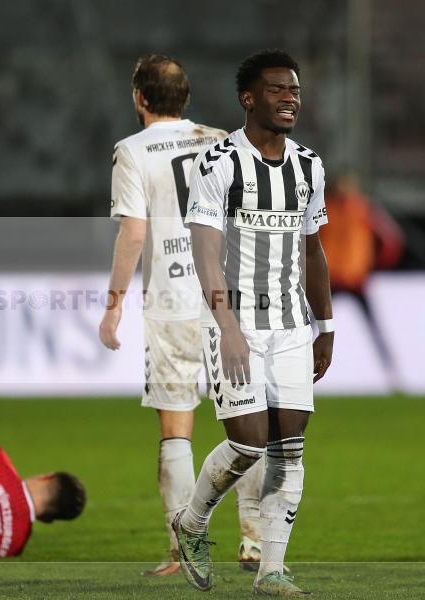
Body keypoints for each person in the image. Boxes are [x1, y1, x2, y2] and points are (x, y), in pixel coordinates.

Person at [99, 54, 269, 576]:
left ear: (139, 98)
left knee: (177, 429)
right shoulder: (222, 140)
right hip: (230, 295)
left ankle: (182, 547)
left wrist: (113, 304)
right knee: (245, 420)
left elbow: (133, 232)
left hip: (172, 299)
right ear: (186, 98)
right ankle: (255, 539)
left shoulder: (131, 152)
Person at [175, 50, 333, 596]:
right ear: (249, 98)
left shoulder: (309, 165)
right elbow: (204, 250)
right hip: (233, 320)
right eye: (277, 89)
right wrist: (229, 323)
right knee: (248, 443)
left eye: (295, 89)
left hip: (291, 325)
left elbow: (313, 250)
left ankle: (271, 569)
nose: (290, 98)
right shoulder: (220, 164)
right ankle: (191, 523)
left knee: (290, 446)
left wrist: (326, 325)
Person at [319, 170, 403, 380]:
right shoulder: (324, 208)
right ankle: (294, 368)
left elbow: (391, 240)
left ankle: (391, 372)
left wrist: (375, 265)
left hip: (355, 279)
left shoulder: (363, 209)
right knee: (309, 326)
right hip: (330, 278)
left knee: (374, 327)